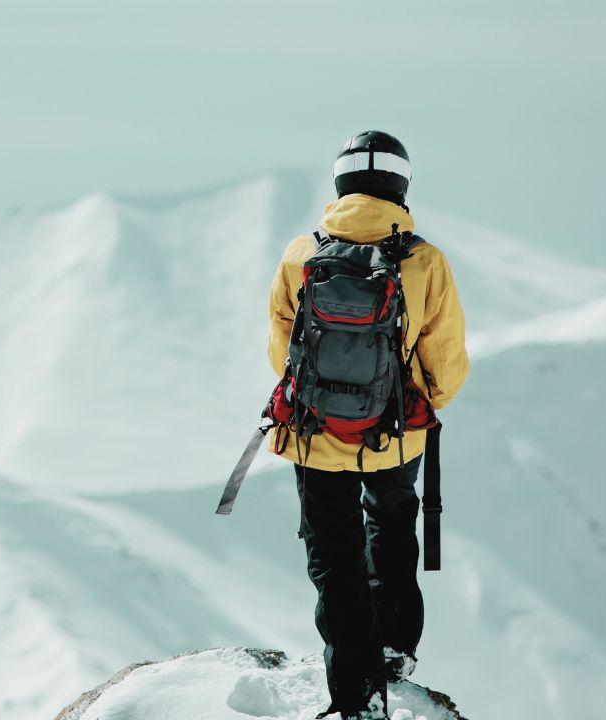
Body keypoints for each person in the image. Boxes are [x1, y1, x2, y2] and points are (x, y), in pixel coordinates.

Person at [266, 131, 469, 719]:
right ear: (401, 186)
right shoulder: (424, 259)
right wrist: (416, 407)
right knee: (391, 524)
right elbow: (446, 358)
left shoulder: (301, 253)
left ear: (339, 184)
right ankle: (394, 649)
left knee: (334, 556)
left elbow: (284, 347)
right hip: (394, 433)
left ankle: (356, 698)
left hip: (314, 434)